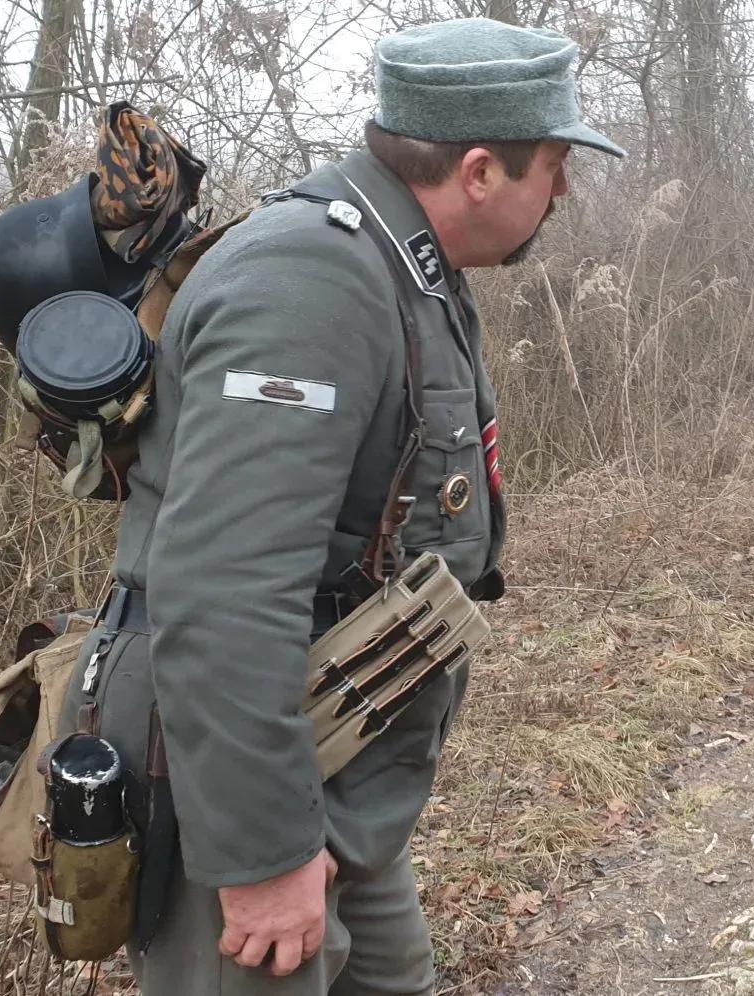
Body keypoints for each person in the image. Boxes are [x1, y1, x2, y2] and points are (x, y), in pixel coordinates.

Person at [62, 18, 624, 994]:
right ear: (483, 172)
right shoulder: (312, 281)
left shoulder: (399, 263)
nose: (565, 189)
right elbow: (223, 592)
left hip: (324, 751)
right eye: (556, 164)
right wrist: (264, 856)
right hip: (232, 769)